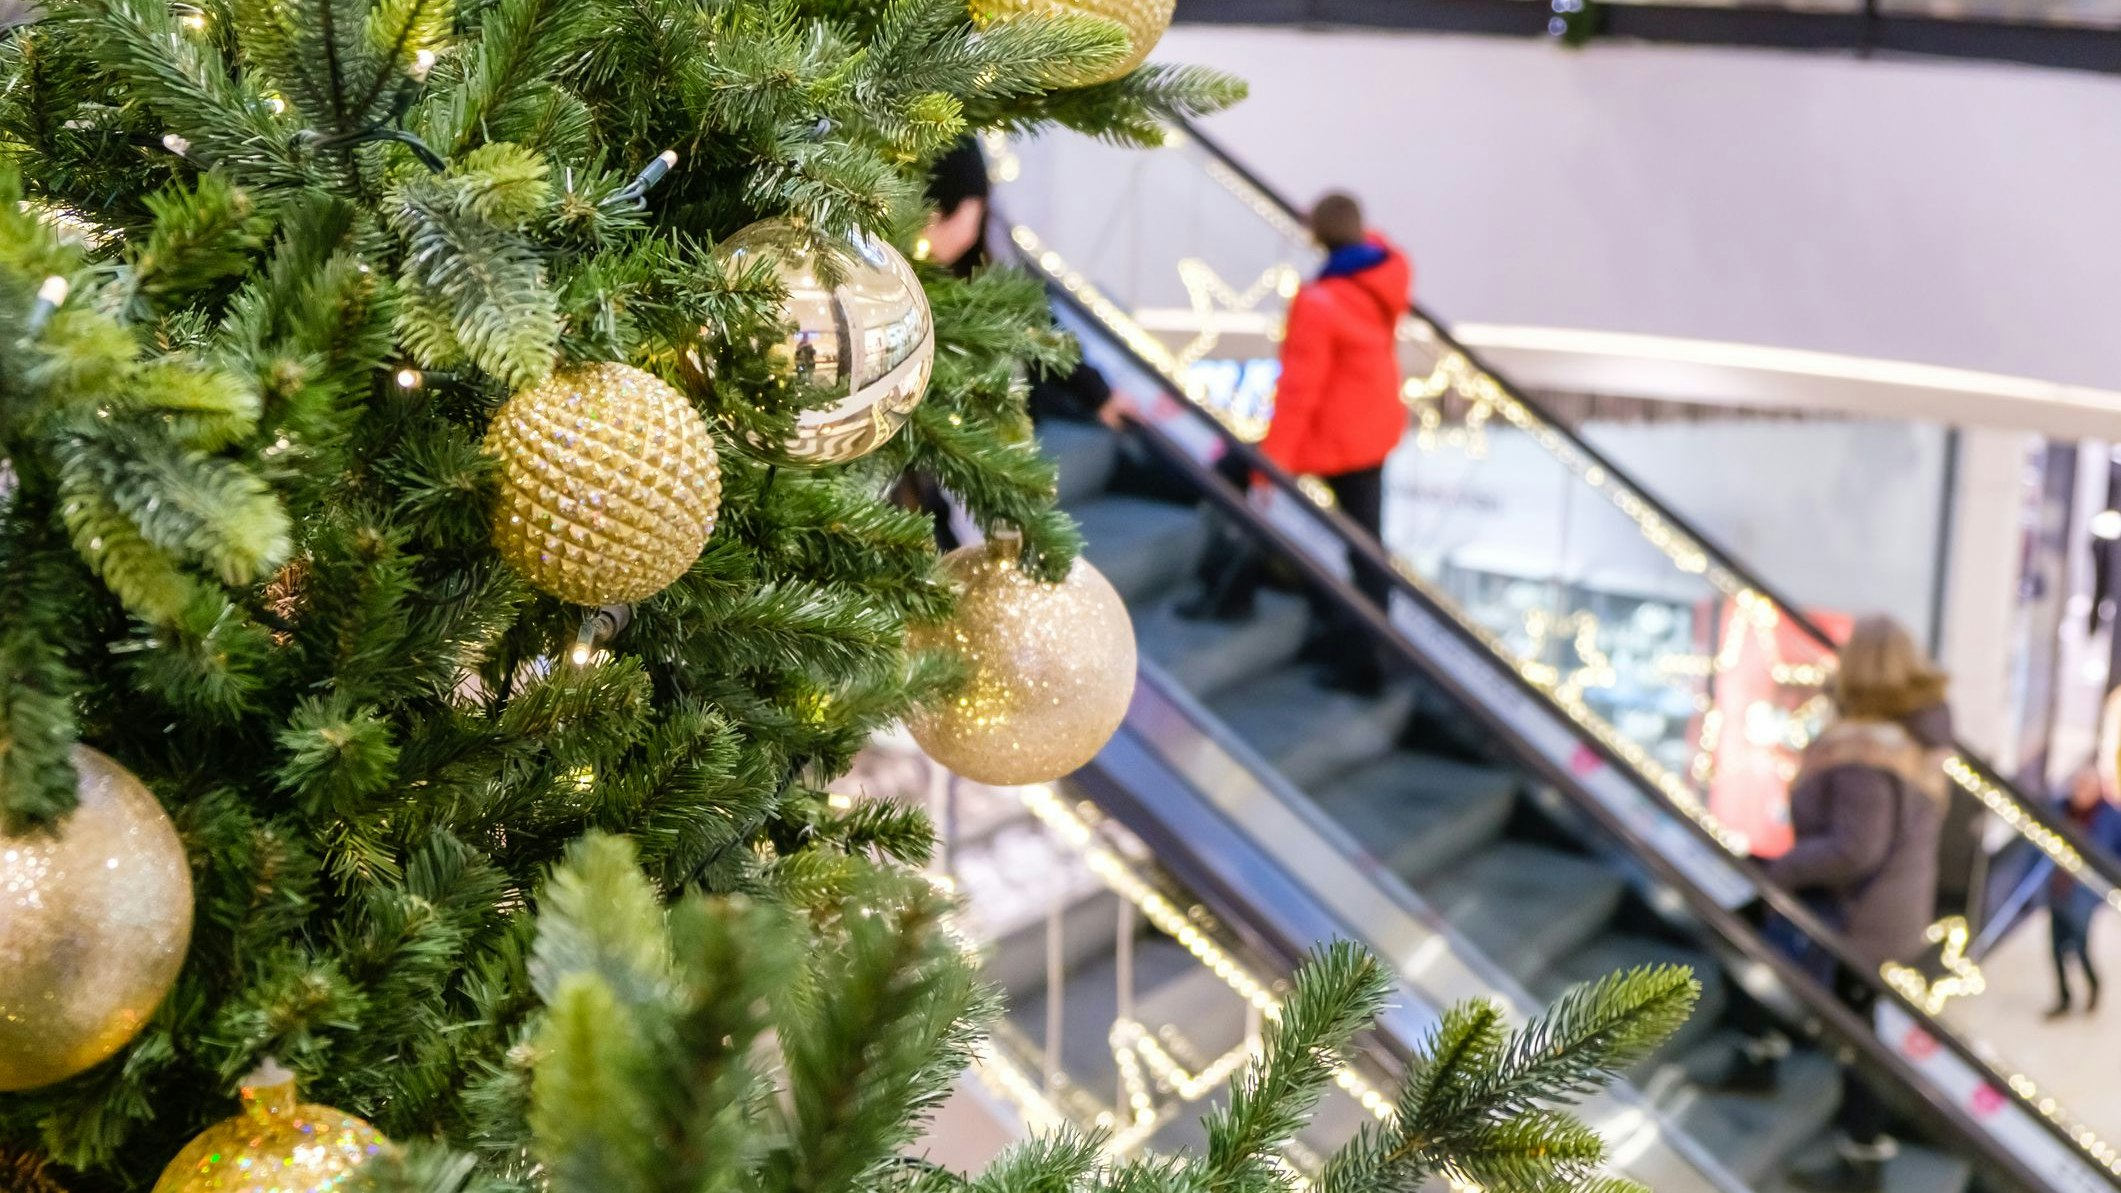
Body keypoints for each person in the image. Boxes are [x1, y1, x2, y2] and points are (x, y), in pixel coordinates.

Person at [1722, 615, 1950, 1193]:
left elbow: (1855, 847)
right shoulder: (1915, 738)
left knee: (1751, 949)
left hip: (1857, 920)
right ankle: (1858, 1152)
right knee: (1863, 1037)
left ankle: (1855, 1155)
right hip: (1895, 914)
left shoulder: (1866, 750)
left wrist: (1784, 872)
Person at [1177, 192, 1410, 695]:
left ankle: (1229, 592)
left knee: (1229, 478)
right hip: (1372, 429)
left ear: (1315, 234)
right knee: (1367, 550)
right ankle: (1371, 660)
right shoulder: (1380, 273)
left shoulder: (1321, 301)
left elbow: (1298, 395)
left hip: (1333, 433)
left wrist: (1269, 472)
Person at [2045, 763, 2121, 1017]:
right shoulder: (2061, 809)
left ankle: (2093, 987)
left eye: (2087, 787)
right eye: (2078, 785)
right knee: (2055, 949)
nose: (2081, 791)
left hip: (2085, 894)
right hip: (2058, 889)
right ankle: (2064, 999)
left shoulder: (2111, 817)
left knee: (2079, 946)